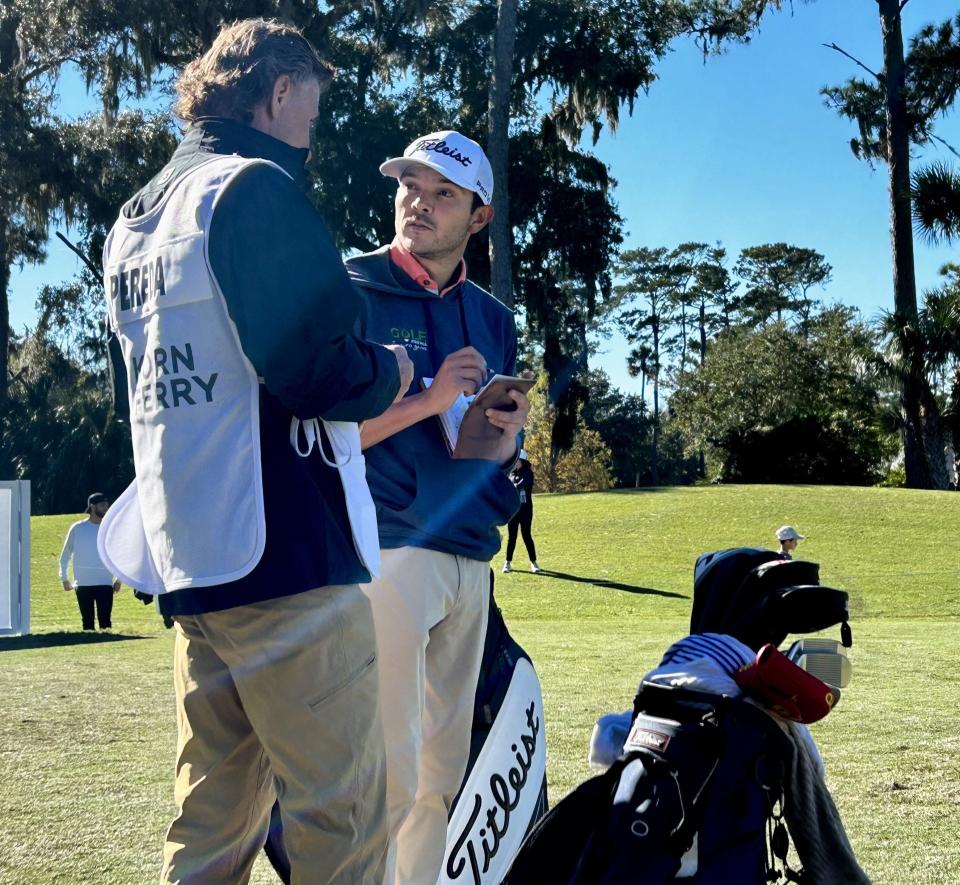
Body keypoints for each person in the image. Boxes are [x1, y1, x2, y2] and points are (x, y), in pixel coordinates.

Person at [99, 19, 412, 884]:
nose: (311, 136)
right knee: (341, 820)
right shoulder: (251, 190)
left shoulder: (134, 220)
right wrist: (389, 369)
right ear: (279, 93)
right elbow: (318, 371)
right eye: (310, 113)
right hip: (289, 559)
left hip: (194, 562)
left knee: (211, 822)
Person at [347, 130, 528, 884]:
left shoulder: (492, 317)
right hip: (387, 550)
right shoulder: (348, 289)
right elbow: (322, 434)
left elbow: (483, 437)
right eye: (410, 184)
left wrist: (505, 436)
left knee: (439, 776)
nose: (418, 201)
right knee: (383, 772)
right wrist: (430, 400)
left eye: (442, 192)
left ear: (478, 218)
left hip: (470, 556)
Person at [58, 492, 121, 630]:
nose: (106, 508)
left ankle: (108, 649)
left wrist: (119, 580)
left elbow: (120, 555)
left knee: (106, 623)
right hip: (83, 584)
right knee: (87, 623)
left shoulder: (110, 529)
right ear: (92, 507)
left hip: (105, 583)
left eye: (107, 505)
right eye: (102, 505)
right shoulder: (77, 528)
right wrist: (64, 578)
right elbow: (65, 555)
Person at [503, 450, 541, 573]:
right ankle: (507, 563)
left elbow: (522, 484)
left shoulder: (528, 473)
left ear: (522, 461)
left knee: (526, 536)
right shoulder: (511, 474)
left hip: (526, 511)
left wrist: (510, 486)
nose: (514, 462)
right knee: (512, 538)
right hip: (513, 512)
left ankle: (534, 563)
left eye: (517, 460)